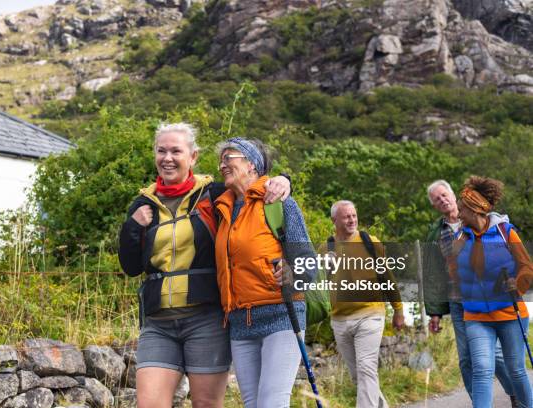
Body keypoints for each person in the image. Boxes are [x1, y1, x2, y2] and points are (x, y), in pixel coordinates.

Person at [118, 123, 291, 408]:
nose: (168, 158)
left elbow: (254, 188)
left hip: (206, 319)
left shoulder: (214, 194)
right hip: (158, 321)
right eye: (161, 151)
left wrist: (284, 180)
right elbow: (131, 266)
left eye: (176, 151)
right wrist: (133, 227)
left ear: (193, 156)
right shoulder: (142, 203)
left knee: (206, 405)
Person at [213, 137, 316, 408]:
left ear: (252, 164)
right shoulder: (222, 208)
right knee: (253, 404)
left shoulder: (278, 203)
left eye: (229, 157)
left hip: (281, 314)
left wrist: (294, 274)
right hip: (239, 322)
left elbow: (308, 261)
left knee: (271, 404)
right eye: (220, 159)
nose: (222, 164)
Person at [423, 180, 516, 405]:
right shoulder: (436, 233)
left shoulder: (480, 218)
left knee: (495, 355)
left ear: (453, 195)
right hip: (458, 302)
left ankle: (517, 394)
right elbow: (433, 274)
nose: (442, 200)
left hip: (487, 299)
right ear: (435, 206)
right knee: (466, 359)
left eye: (444, 195)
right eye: (437, 199)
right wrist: (434, 312)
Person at [449, 176, 533, 408]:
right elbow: (453, 272)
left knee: (516, 370)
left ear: (475, 209)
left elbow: (527, 266)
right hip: (476, 316)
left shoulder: (505, 232)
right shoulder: (461, 236)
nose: (458, 214)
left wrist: (518, 283)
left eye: (462, 208)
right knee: (482, 371)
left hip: (509, 312)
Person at [324, 200, 403, 408]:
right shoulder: (327, 247)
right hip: (340, 320)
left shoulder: (370, 241)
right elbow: (321, 283)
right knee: (358, 377)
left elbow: (387, 277)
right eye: (346, 216)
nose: (352, 220)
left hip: (370, 314)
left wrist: (398, 309)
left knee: (366, 368)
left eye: (353, 215)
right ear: (334, 220)